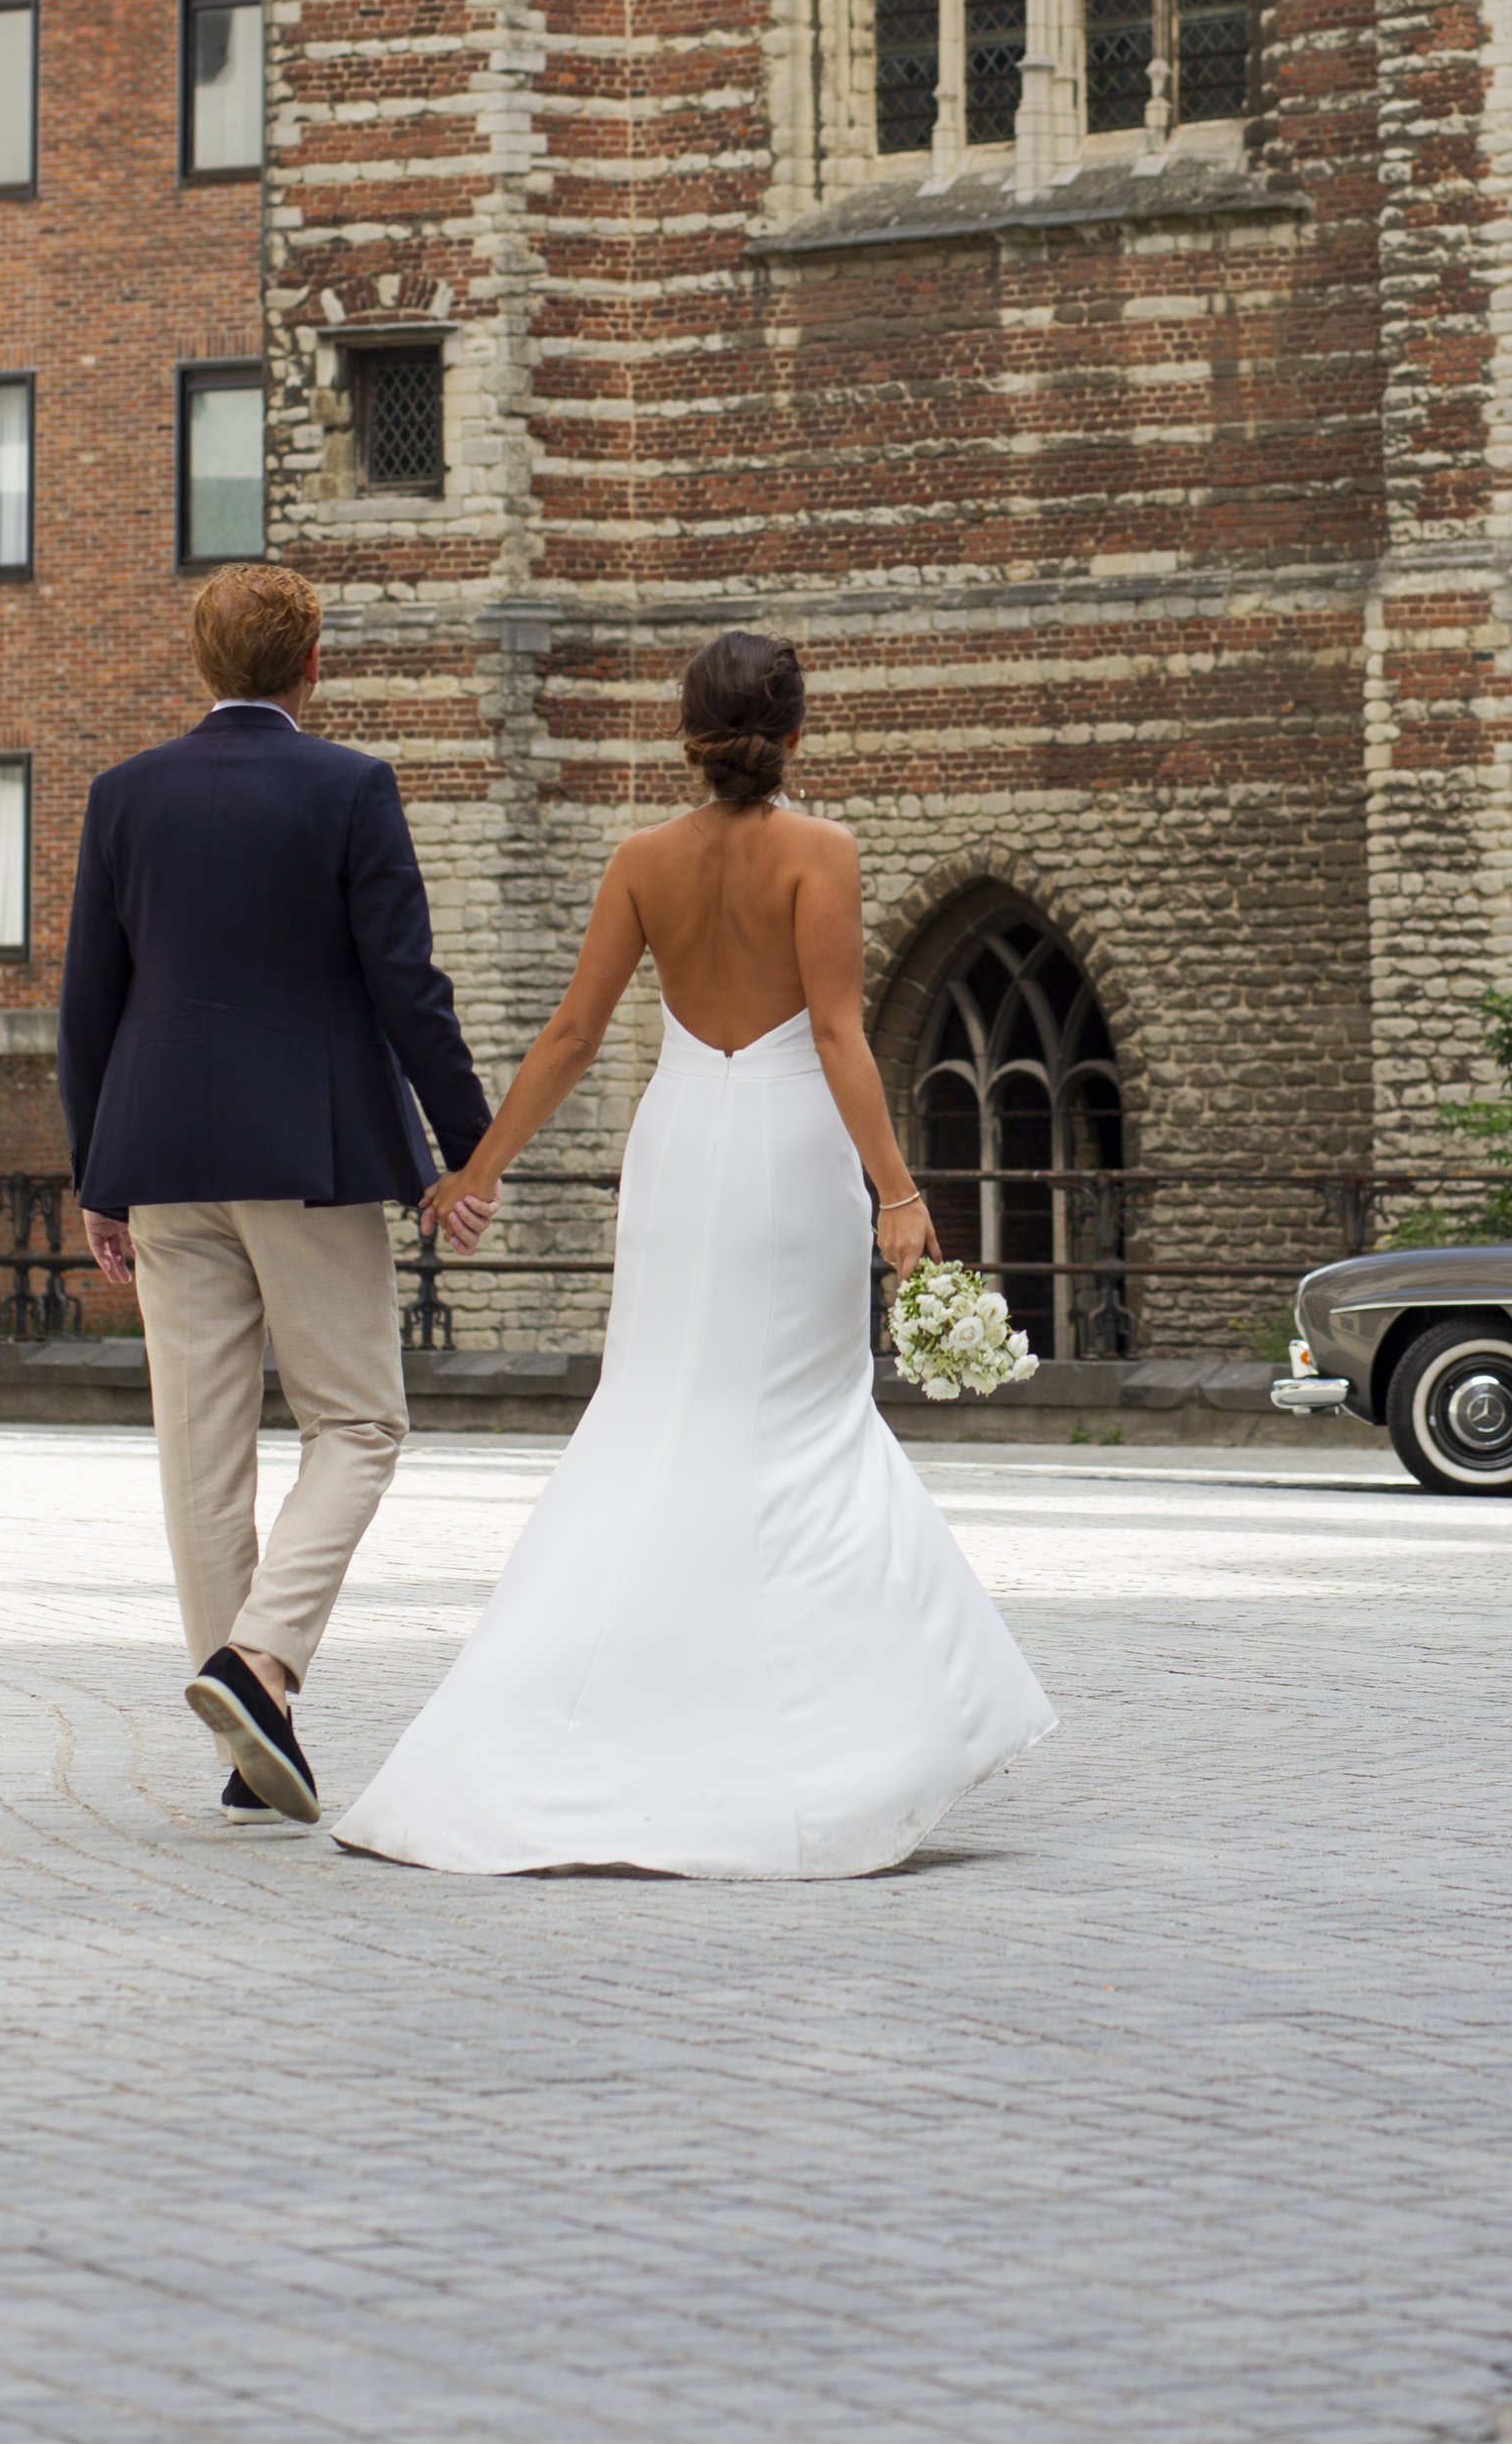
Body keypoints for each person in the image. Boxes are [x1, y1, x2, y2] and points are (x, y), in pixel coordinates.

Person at [332, 629, 1056, 1879]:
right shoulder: (820, 852)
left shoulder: (640, 860)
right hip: (785, 1151)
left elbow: (568, 1034)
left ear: (687, 730)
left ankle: (571, 1718)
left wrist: (478, 1168)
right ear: (795, 732)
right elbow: (836, 1033)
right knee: (803, 1427)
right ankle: (850, 1738)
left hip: (677, 1154)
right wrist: (896, 1191)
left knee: (658, 1412)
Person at [58, 562, 494, 1826]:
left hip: (160, 1158)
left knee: (200, 1447)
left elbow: (91, 999)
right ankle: (258, 1664)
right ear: (314, 668)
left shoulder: (123, 795)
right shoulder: (349, 786)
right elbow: (408, 985)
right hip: (310, 1159)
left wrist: (98, 1171)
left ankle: (254, 1740)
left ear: (204, 665)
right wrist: (462, 1149)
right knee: (358, 1425)